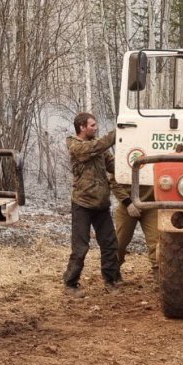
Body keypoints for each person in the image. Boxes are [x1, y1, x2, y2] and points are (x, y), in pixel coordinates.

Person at [63, 112, 121, 297]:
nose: (96, 128)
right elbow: (95, 147)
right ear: (82, 127)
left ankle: (110, 280)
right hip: (83, 204)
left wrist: (134, 162)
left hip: (101, 204)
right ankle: (70, 283)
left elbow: (114, 165)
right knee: (80, 247)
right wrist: (117, 132)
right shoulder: (75, 145)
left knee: (110, 243)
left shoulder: (99, 148)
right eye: (92, 125)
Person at [110, 173, 159, 282]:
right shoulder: (123, 156)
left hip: (152, 204)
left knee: (157, 242)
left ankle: (159, 273)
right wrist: (128, 203)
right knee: (120, 241)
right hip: (127, 205)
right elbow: (114, 181)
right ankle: (113, 271)